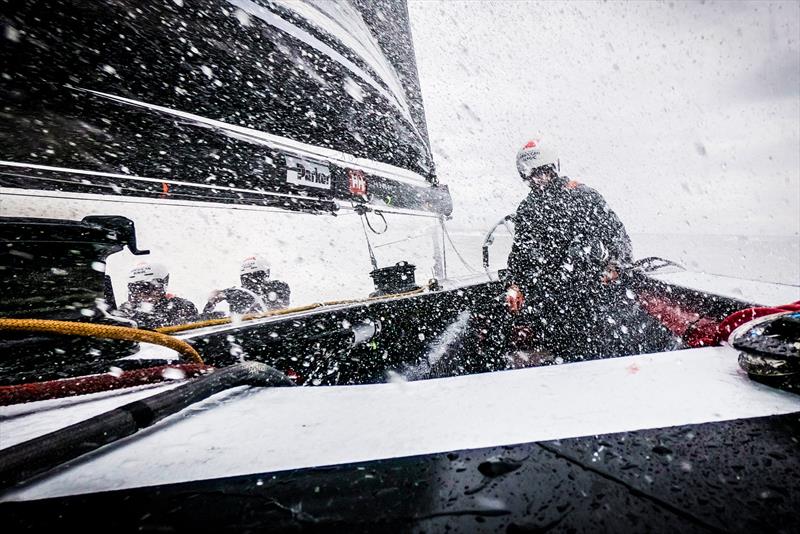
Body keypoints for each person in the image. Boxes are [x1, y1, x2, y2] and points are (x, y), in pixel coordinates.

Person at [505, 139, 673, 360]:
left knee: (594, 354)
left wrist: (615, 266)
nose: (537, 179)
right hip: (549, 301)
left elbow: (618, 237)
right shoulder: (527, 208)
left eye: (542, 172)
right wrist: (514, 283)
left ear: (553, 168)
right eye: (530, 175)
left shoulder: (584, 196)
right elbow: (520, 252)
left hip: (590, 296)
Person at [115, 261, 198, 329]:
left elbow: (187, 328)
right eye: (135, 289)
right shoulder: (126, 309)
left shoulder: (180, 307)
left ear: (161, 287)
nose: (141, 294)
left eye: (146, 287)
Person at [203, 256, 291, 316]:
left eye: (255, 276)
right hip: (242, 331)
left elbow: (257, 295)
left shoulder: (278, 287)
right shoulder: (236, 293)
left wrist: (226, 293)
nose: (250, 281)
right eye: (247, 278)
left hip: (270, 325)